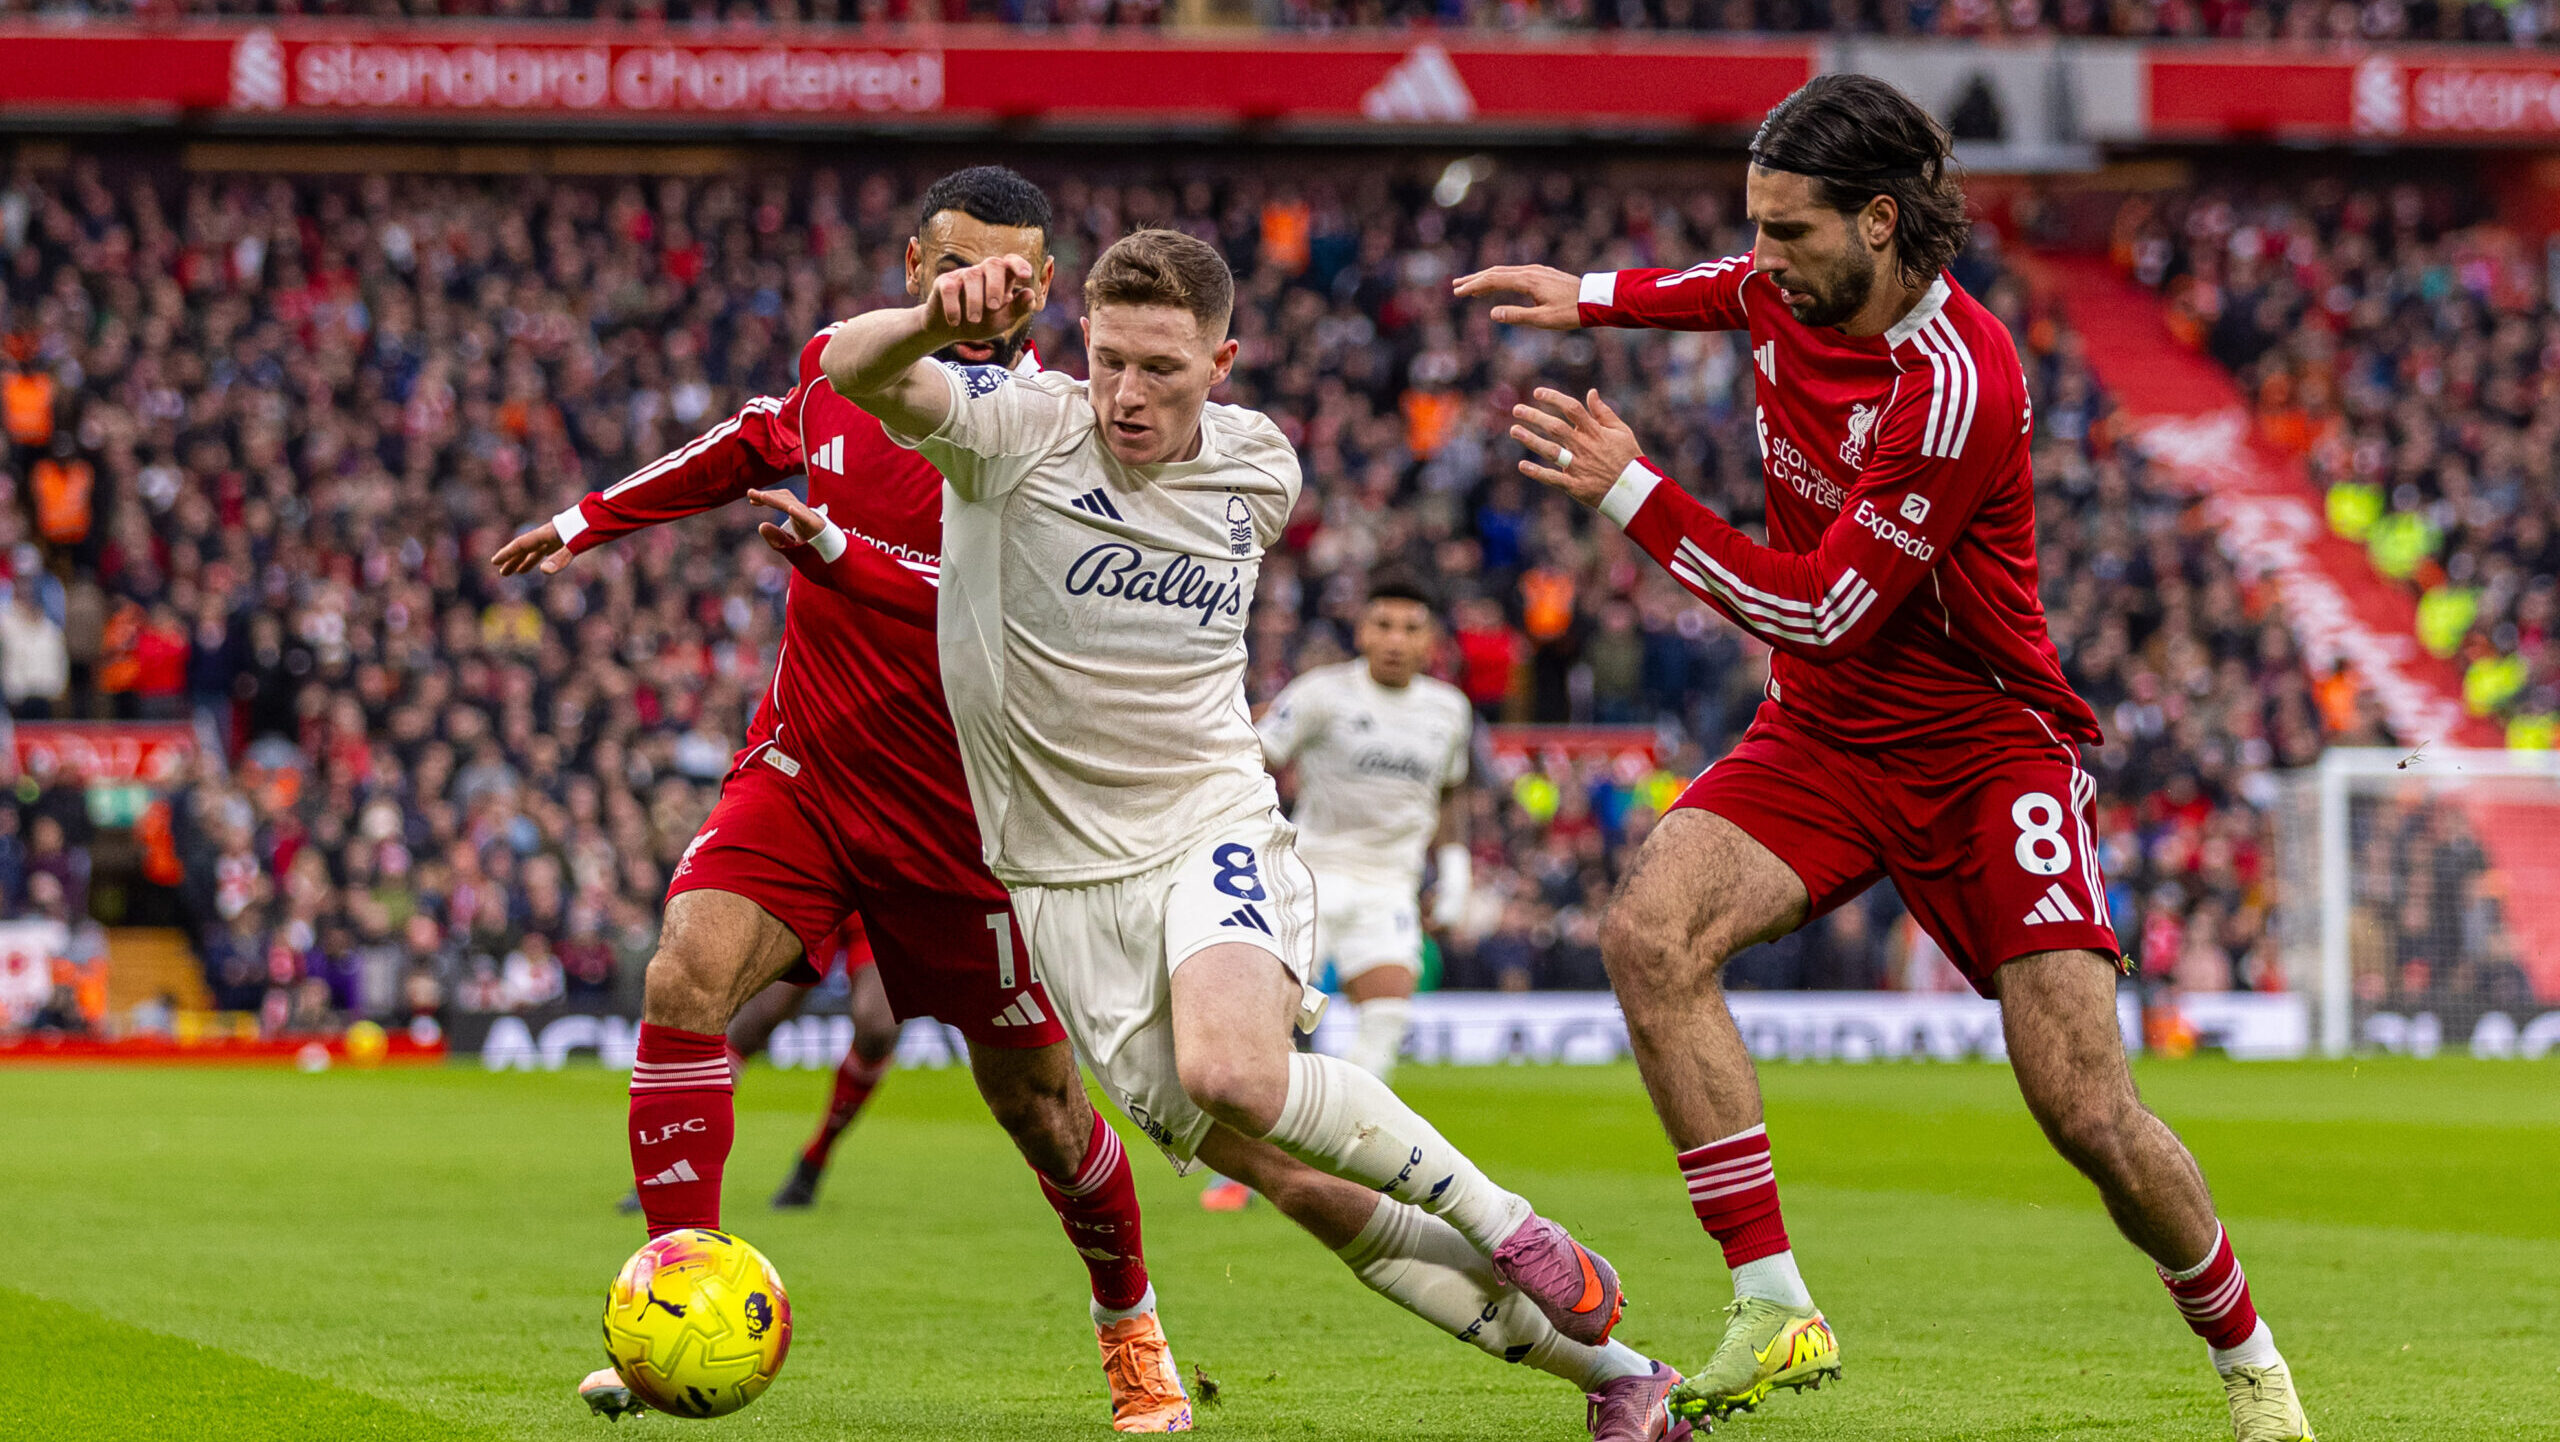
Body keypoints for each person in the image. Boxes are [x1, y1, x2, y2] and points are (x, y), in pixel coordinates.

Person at [1454, 74, 2314, 1442]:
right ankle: (1773, 1294)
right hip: (1827, 732)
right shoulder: (1781, 285)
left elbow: (1820, 604)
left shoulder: (1958, 383)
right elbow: (1717, 284)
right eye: (1756, 225)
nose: (1764, 255)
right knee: (1649, 933)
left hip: (1988, 754)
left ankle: (2250, 1360)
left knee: (2083, 1106)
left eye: (1788, 229)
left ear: (1878, 221)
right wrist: (1598, 292)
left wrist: (1630, 484)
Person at [821, 228, 1692, 1442]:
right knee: (1297, 1176)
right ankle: (1621, 1377)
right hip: (1059, 879)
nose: (1128, 395)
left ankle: (1511, 1221)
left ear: (1222, 361)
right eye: (1110, 360)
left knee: (1235, 1064)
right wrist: (925, 318)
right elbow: (844, 367)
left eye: (1163, 369)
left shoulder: (1259, 468)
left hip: (1207, 818)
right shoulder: (1012, 425)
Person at [491, 167, 1191, 1433]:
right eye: (964, 268)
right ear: (917, 268)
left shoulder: (1062, 432)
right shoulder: (845, 373)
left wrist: (836, 557)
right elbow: (748, 443)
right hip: (806, 774)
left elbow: (1007, 615)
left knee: (1036, 1105)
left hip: (971, 818)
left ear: (1043, 289)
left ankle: (1128, 1321)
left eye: (1018, 276)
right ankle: (675, 1303)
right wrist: (584, 518)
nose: (991, 296)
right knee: (683, 978)